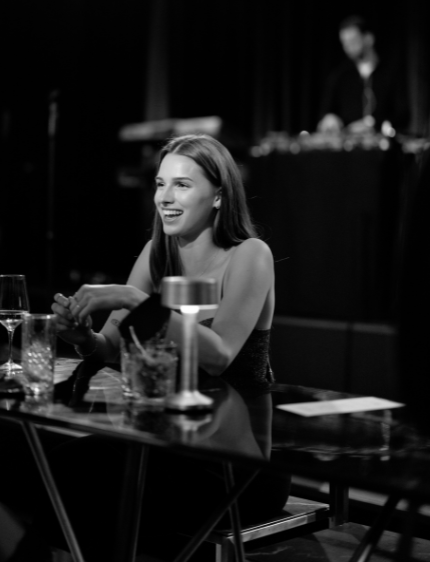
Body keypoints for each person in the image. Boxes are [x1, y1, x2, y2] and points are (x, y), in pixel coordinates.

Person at [38, 133, 288, 562]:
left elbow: (219, 355)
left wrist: (135, 299)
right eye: (160, 184)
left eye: (182, 185)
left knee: (86, 481)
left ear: (219, 196)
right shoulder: (157, 252)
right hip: (168, 446)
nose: (164, 198)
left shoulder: (250, 254)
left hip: (236, 469)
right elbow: (109, 346)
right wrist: (82, 337)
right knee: (54, 463)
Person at [317, 15, 410, 136]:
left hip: (383, 142)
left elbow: (403, 115)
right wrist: (329, 118)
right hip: (348, 142)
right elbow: (327, 112)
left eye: (353, 40)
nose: (348, 47)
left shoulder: (390, 73)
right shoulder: (339, 76)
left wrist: (374, 124)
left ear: (368, 39)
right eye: (344, 42)